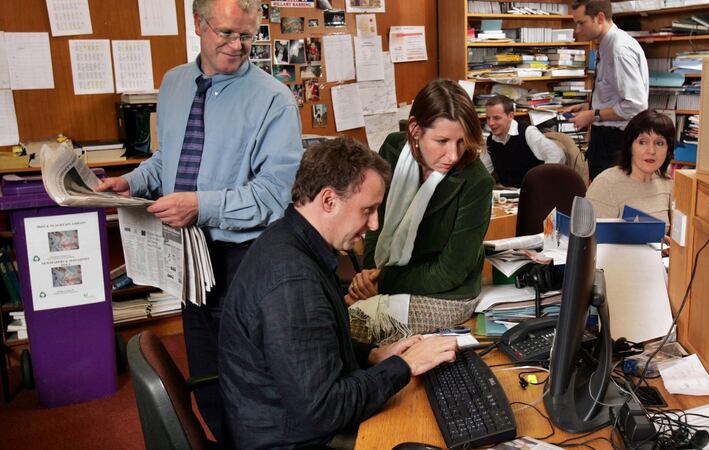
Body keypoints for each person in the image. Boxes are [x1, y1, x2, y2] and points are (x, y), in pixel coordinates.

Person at [96, 0, 303, 439]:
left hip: (242, 256)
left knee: (249, 383)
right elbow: (167, 157)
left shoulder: (274, 100)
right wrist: (131, 182)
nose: (238, 45)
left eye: (247, 36)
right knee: (207, 372)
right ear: (198, 24)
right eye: (226, 33)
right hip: (187, 253)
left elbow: (274, 194)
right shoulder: (173, 84)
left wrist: (200, 205)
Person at [218, 137, 459, 449]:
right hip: (294, 439)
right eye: (368, 210)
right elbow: (323, 411)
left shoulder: (289, 240)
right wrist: (405, 366)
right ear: (329, 201)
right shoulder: (294, 283)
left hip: (283, 420)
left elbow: (314, 346)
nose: (373, 224)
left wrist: (373, 355)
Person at [346, 79, 494, 344]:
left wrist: (382, 282)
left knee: (352, 327)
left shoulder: (476, 182)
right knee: (334, 318)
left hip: (446, 292)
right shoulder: (392, 149)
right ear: (415, 129)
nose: (453, 155)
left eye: (461, 142)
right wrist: (369, 273)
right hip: (387, 275)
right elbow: (374, 223)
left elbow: (451, 271)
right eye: (442, 141)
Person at [565, 0, 648, 180]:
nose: (577, 30)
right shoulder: (606, 45)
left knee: (609, 202)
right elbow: (614, 94)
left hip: (617, 141)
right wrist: (588, 106)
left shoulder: (619, 50)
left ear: (600, 17)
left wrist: (593, 114)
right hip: (605, 138)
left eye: (581, 23)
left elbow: (636, 106)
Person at [586, 109, 674, 226]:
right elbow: (590, 238)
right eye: (643, 142)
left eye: (659, 143)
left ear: (668, 150)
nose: (651, 151)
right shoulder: (606, 184)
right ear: (630, 146)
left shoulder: (666, 183)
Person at [480, 95, 566, 188]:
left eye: (496, 118)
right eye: (488, 118)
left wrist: (542, 184)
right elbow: (482, 171)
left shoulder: (527, 132)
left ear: (510, 116)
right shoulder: (491, 141)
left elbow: (556, 155)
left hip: (533, 193)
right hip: (509, 195)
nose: (491, 123)